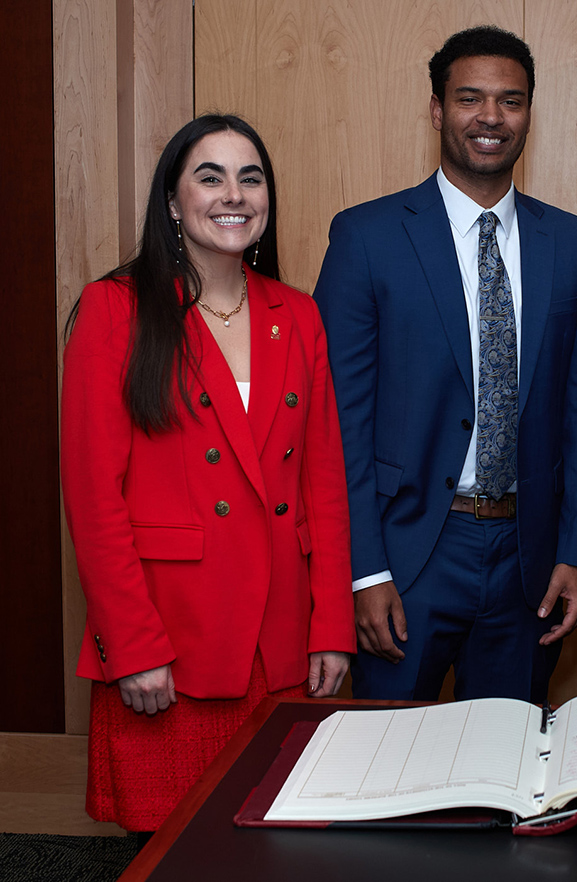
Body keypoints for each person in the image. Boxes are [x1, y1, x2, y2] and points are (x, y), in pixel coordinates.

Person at [61, 114, 355, 833]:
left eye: (250, 178)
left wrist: (333, 629)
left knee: (281, 845)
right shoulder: (116, 310)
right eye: (210, 175)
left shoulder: (300, 315)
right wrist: (131, 647)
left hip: (283, 643)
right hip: (171, 645)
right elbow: (95, 500)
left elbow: (325, 485)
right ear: (172, 200)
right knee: (176, 850)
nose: (234, 194)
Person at [313, 26, 577, 703]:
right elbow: (340, 424)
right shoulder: (366, 238)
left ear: (529, 113)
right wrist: (363, 572)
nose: (490, 117)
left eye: (510, 101)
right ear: (436, 109)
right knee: (385, 773)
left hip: (529, 558)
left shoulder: (573, 245)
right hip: (408, 552)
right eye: (470, 98)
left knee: (502, 779)